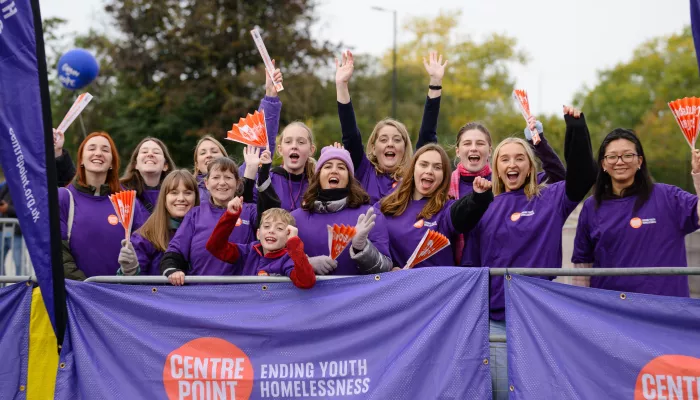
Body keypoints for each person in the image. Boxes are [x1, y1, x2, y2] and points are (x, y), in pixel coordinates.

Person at [464, 107, 596, 399]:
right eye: (505, 159)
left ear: (530, 166)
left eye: (519, 158)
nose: (512, 164)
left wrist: (573, 129)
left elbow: (583, 175)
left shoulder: (549, 198)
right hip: (496, 321)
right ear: (495, 167)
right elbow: (471, 264)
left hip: (540, 315)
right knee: (499, 391)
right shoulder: (483, 206)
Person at [572, 129, 700, 297]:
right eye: (612, 156)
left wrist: (698, 176)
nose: (620, 161)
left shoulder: (668, 197)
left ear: (640, 161)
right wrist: (583, 308)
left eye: (627, 155)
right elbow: (583, 265)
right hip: (612, 313)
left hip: (666, 312)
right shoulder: (591, 207)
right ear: (603, 164)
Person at [335, 50, 446, 203]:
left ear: (405, 146)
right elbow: (350, 135)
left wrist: (435, 83)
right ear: (373, 147)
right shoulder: (363, 170)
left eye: (397, 139)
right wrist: (341, 85)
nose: (390, 144)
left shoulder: (413, 175)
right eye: (384, 139)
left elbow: (427, 133)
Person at [450, 118, 566, 263]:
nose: (474, 148)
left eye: (480, 143)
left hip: (498, 272)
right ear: (458, 151)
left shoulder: (509, 183)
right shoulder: (445, 187)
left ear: (490, 151)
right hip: (451, 270)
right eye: (467, 143)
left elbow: (559, 178)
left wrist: (538, 141)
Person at [160, 147, 280, 281]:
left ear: (238, 183)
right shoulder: (195, 214)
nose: (222, 183)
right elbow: (176, 249)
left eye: (228, 177)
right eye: (216, 177)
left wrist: (263, 173)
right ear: (206, 183)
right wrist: (172, 269)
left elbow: (272, 219)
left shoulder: (249, 210)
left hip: (243, 294)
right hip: (201, 292)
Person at [380, 144, 493, 269]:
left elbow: (465, 210)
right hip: (395, 286)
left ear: (444, 176)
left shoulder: (445, 210)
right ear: (413, 169)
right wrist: (388, 268)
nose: (429, 171)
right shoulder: (386, 206)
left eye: (437, 167)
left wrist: (478, 196)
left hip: (437, 287)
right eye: (423, 164)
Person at [291, 146, 392, 275]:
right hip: (309, 295)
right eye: (327, 166)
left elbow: (385, 270)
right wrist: (305, 262)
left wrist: (362, 248)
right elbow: (275, 262)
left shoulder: (370, 216)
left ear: (350, 178)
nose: (334, 171)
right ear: (318, 176)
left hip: (357, 295)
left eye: (341, 167)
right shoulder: (295, 219)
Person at [59, 131, 147, 280]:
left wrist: (131, 270)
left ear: (112, 162)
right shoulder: (64, 197)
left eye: (105, 150)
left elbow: (142, 250)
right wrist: (85, 287)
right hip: (77, 295)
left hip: (117, 296)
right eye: (92, 148)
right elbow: (58, 252)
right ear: (81, 159)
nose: (98, 153)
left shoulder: (128, 202)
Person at [205, 203, 316, 289]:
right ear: (258, 233)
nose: (271, 231)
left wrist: (294, 243)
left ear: (288, 236)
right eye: (267, 226)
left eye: (280, 228)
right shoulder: (248, 252)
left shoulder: (288, 259)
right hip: (246, 313)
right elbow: (215, 247)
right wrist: (230, 216)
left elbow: (306, 282)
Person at [116, 170, 200, 276]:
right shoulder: (145, 236)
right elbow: (131, 288)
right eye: (174, 192)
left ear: (196, 197)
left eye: (187, 193)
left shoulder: (205, 232)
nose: (181, 198)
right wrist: (130, 271)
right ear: (164, 198)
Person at [120, 137, 176, 214]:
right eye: (144, 152)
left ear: (165, 166)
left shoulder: (177, 195)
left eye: (156, 152)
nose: (150, 154)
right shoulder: (120, 192)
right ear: (136, 164)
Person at [192, 135, 228, 203]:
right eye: (203, 153)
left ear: (225, 158)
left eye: (214, 151)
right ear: (197, 165)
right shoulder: (190, 190)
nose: (209, 155)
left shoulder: (239, 180)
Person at [0, 183, 23, 275]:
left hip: (16, 232)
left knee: (18, 263)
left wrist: (8, 208)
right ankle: (2, 288)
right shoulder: (4, 186)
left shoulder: (22, 187)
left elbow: (24, 210)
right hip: (2, 230)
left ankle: (22, 287)